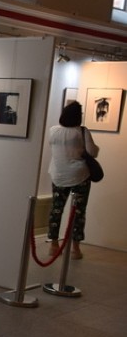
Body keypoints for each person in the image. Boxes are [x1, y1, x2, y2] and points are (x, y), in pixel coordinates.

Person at [47, 101, 99, 260]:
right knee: (78, 212)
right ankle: (75, 248)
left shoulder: (53, 130)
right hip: (79, 176)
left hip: (58, 174)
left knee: (56, 209)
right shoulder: (82, 132)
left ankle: (53, 245)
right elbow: (93, 152)